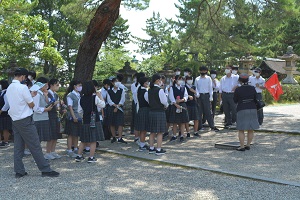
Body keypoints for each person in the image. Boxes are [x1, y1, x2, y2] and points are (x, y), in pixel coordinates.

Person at [6, 68, 59, 178]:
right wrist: (31, 96)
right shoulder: (23, 87)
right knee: (35, 145)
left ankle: (19, 171)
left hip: (15, 119)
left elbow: (18, 101)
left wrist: (31, 95)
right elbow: (31, 105)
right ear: (23, 77)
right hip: (25, 119)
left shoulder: (9, 87)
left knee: (18, 146)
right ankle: (45, 169)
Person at [75, 81, 105, 163]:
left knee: (84, 140)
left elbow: (79, 111)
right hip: (94, 120)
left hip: (86, 120)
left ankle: (79, 156)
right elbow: (103, 105)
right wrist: (100, 96)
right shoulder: (94, 97)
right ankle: (91, 157)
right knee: (93, 140)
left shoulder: (81, 99)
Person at [234, 73, 259, 151]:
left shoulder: (238, 89)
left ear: (240, 80)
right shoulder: (252, 88)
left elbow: (235, 100)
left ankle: (242, 146)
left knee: (241, 129)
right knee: (250, 129)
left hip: (242, 108)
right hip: (252, 108)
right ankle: (248, 145)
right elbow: (256, 98)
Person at [32, 78, 55, 160]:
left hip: (45, 118)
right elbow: (35, 108)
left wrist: (46, 96)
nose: (47, 86)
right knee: (38, 139)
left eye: (47, 84)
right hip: (38, 119)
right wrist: (46, 109)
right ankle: (37, 156)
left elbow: (47, 103)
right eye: (45, 84)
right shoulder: (37, 94)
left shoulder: (44, 93)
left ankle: (46, 153)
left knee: (47, 137)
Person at [147, 74, 168, 155]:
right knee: (160, 132)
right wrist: (166, 106)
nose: (161, 81)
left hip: (152, 111)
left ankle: (151, 148)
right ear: (157, 80)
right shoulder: (160, 90)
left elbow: (148, 101)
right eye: (160, 79)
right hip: (159, 111)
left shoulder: (149, 90)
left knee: (152, 132)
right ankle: (158, 149)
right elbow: (164, 102)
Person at [195, 66, 219, 132]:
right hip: (199, 96)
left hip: (206, 95)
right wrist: (197, 94)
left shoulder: (208, 78)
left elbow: (210, 88)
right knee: (199, 111)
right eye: (202, 71)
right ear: (200, 71)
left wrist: (211, 96)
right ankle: (199, 127)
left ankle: (212, 126)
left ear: (206, 71)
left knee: (208, 111)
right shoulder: (197, 79)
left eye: (204, 71)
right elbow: (196, 88)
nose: (203, 72)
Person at [64, 80, 83, 158]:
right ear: (74, 86)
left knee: (76, 133)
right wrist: (73, 116)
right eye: (79, 85)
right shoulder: (70, 95)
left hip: (79, 115)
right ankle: (69, 149)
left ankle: (75, 147)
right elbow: (70, 107)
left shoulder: (79, 94)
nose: (80, 87)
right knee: (71, 133)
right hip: (72, 116)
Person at [168, 75, 189, 142]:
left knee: (182, 122)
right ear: (176, 80)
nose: (180, 81)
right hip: (174, 105)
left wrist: (182, 100)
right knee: (174, 122)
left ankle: (182, 135)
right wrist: (176, 104)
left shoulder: (183, 87)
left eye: (182, 80)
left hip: (182, 104)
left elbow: (186, 96)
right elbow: (171, 97)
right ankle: (174, 135)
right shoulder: (172, 88)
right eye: (179, 79)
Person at [107, 77, 127, 144]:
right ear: (112, 83)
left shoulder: (122, 90)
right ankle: (113, 137)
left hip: (120, 108)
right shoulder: (109, 91)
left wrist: (117, 106)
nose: (117, 83)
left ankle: (120, 137)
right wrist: (114, 106)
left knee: (120, 123)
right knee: (112, 123)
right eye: (115, 81)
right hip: (111, 108)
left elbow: (122, 100)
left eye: (117, 81)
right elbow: (109, 101)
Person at [48, 78, 62, 158]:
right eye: (56, 85)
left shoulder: (55, 94)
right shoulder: (47, 94)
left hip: (56, 115)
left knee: (56, 134)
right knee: (51, 135)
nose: (58, 87)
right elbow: (47, 105)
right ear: (51, 85)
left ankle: (53, 151)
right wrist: (54, 103)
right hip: (50, 115)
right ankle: (48, 152)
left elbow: (58, 106)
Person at [135, 77, 150, 151]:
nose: (147, 84)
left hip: (141, 109)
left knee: (142, 129)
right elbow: (148, 101)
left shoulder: (139, 89)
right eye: (146, 82)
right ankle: (142, 145)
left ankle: (142, 143)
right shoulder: (145, 91)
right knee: (144, 129)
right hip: (145, 110)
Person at [0, 80, 12, 147]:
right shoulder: (2, 92)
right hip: (2, 114)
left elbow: (7, 104)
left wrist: (1, 111)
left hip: (5, 113)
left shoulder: (6, 93)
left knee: (5, 128)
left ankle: (6, 141)